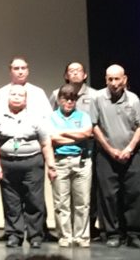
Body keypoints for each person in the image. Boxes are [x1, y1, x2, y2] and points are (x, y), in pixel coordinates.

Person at [0, 84, 56, 249]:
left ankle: (35, 236)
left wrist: (51, 166)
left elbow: (46, 143)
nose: (16, 97)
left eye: (20, 95)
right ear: (8, 98)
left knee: (34, 200)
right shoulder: (0, 117)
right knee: (11, 202)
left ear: (26, 99)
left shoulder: (35, 118)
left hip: (32, 163)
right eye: (13, 94)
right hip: (7, 163)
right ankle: (14, 235)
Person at [91, 63, 140, 248]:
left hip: (132, 154)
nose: (114, 83)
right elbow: (94, 125)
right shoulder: (98, 98)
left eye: (117, 79)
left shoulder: (133, 99)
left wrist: (129, 148)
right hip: (107, 154)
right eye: (110, 79)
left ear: (124, 79)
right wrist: (110, 149)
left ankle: (134, 234)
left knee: (135, 194)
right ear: (106, 80)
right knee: (108, 196)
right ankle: (112, 234)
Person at [48, 85, 93, 247]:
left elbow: (86, 134)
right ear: (59, 100)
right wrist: (76, 135)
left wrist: (64, 133)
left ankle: (81, 237)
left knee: (82, 202)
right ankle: (65, 236)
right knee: (61, 202)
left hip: (81, 161)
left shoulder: (83, 116)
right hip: (60, 161)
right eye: (65, 99)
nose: (68, 102)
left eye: (72, 99)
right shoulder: (52, 117)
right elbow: (53, 138)